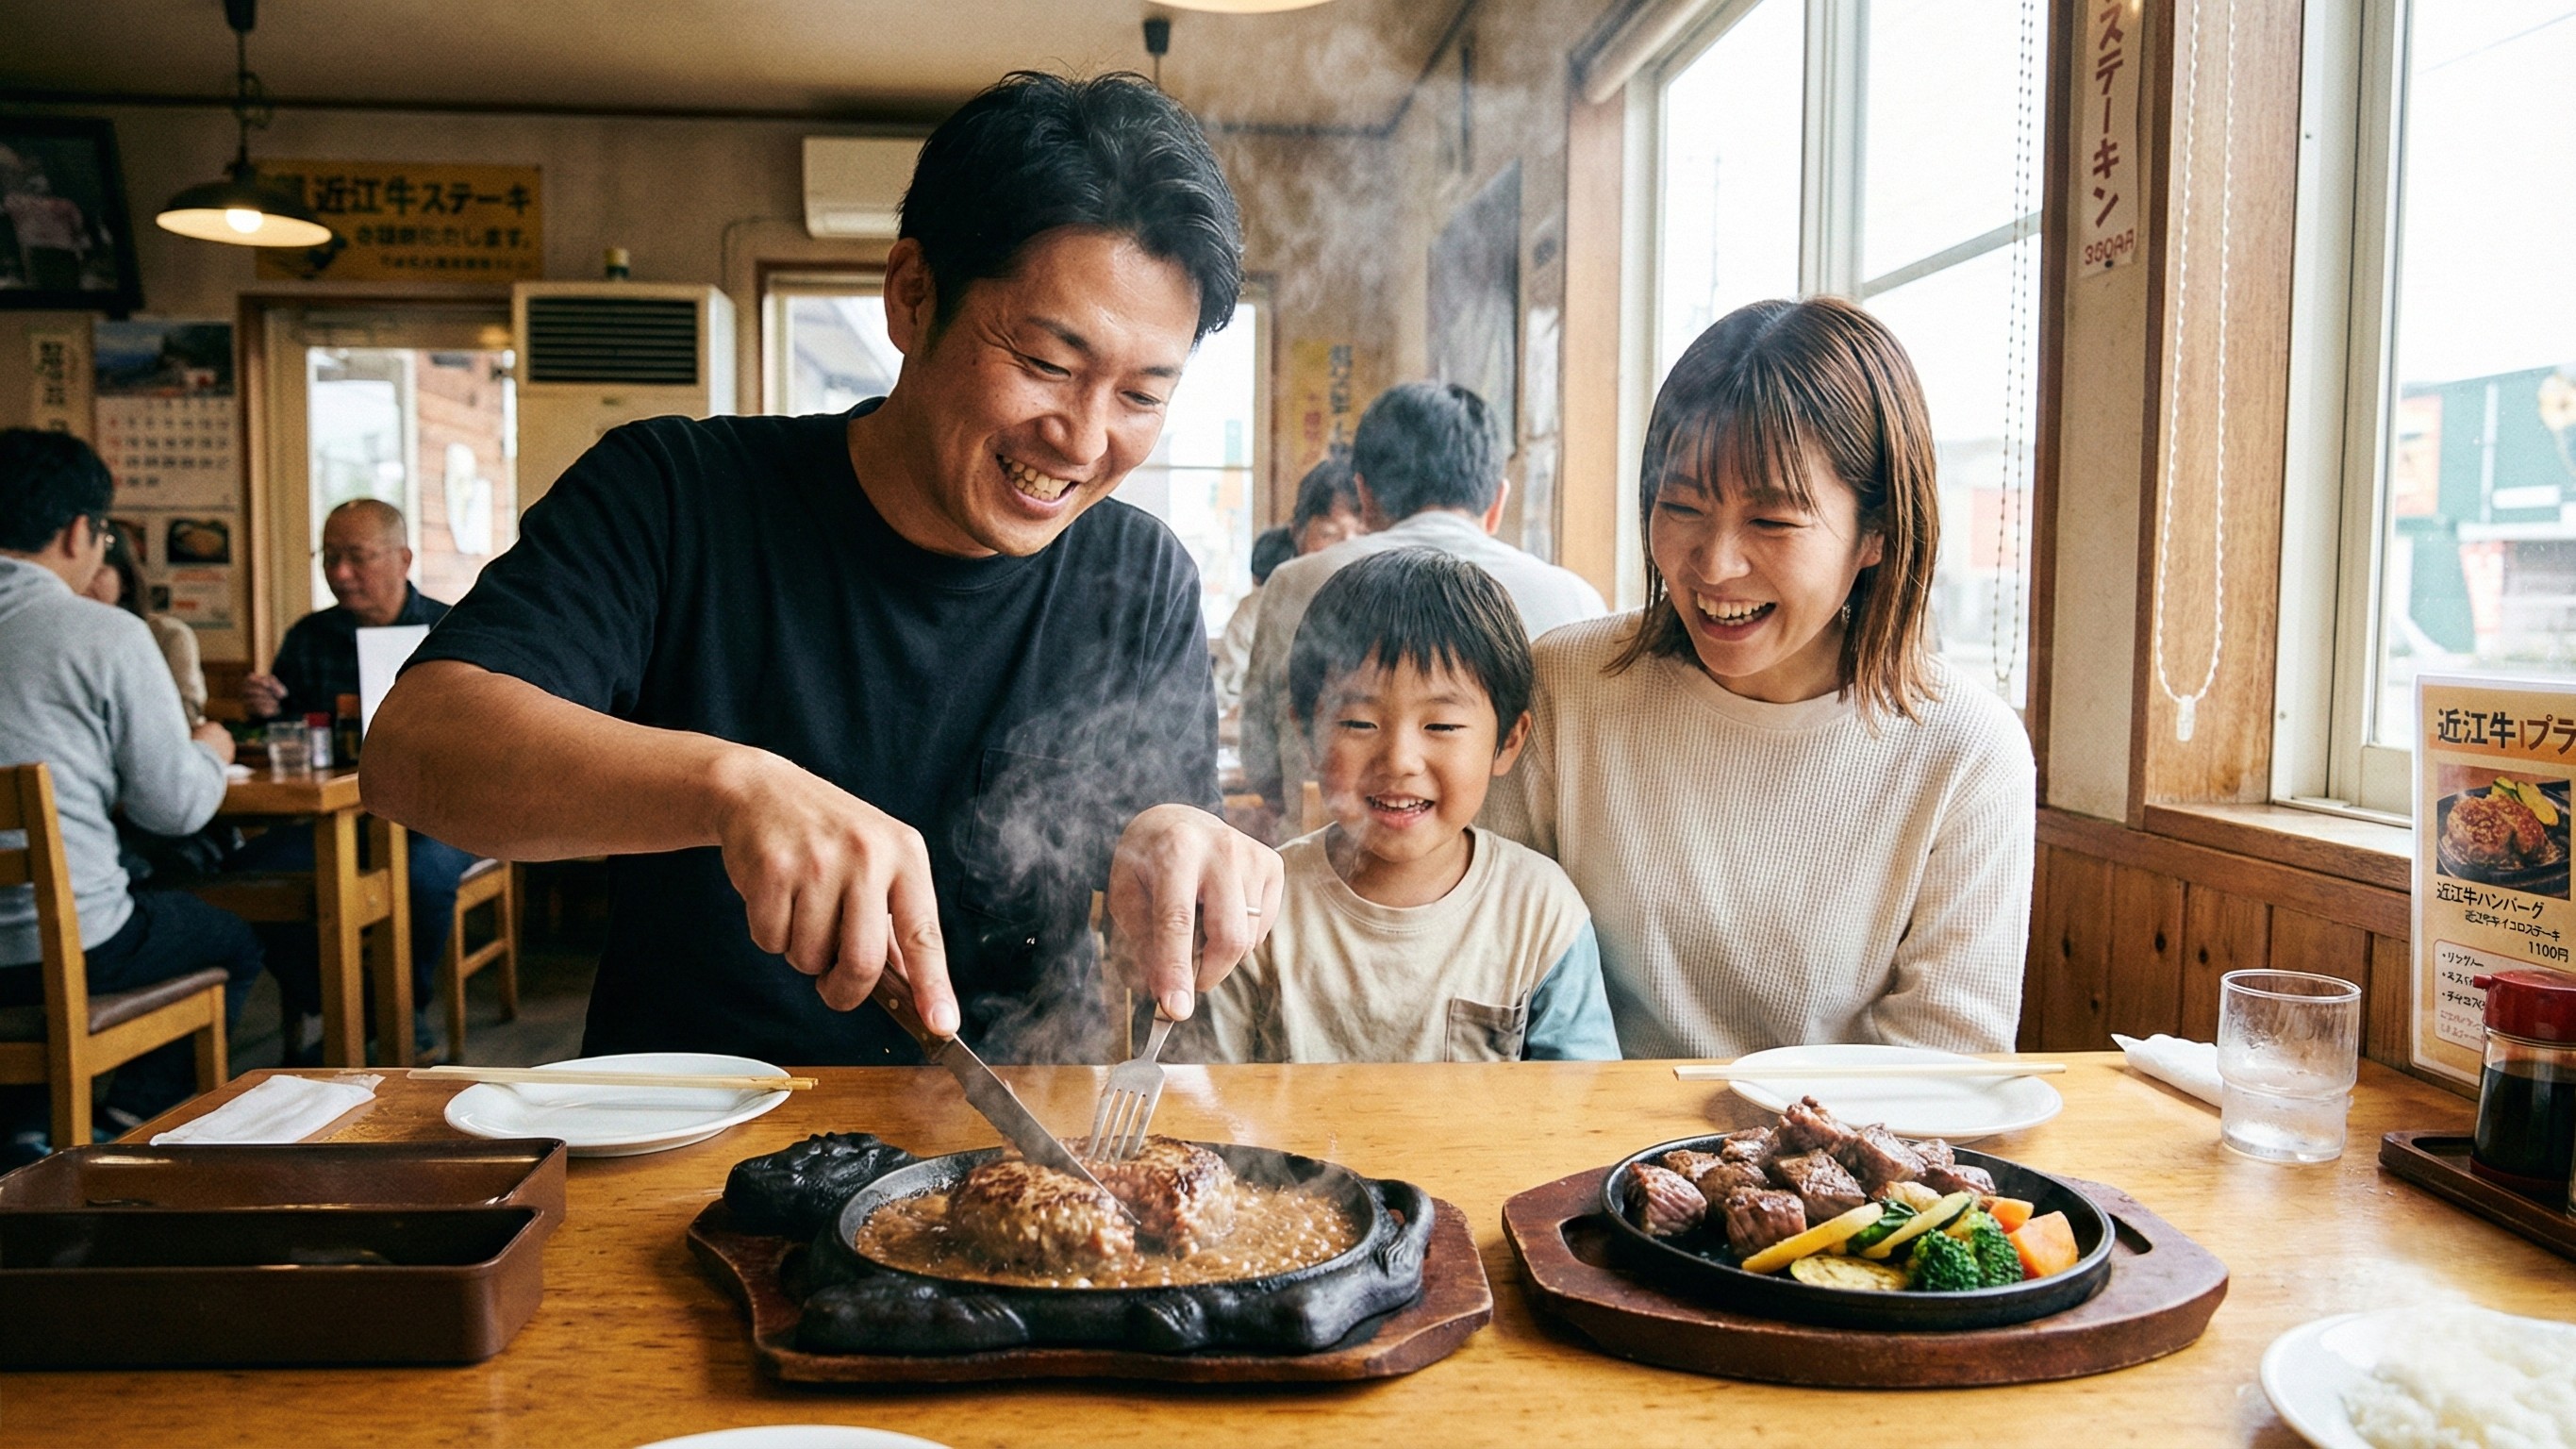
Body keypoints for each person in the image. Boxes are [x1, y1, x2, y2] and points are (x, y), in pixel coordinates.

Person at [362, 72, 1282, 1066]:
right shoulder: (675, 493)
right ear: (911, 295)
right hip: (691, 1132)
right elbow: (416, 749)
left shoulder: (1135, 576)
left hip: (997, 1157)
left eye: (1142, 396)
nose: (1082, 437)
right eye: (1049, 365)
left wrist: (1177, 839)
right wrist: (728, 788)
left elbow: (1159, 830)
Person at [1483, 297, 2036, 1058]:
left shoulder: (1965, 750)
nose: (1714, 565)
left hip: (1829, 1167)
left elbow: (1943, 1062)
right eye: (1680, 506)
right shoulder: (1566, 685)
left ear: (1875, 533)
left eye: (1771, 522)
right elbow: (1479, 956)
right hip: (1576, 1149)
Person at [1188, 549, 1616, 1063]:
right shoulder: (1259, 908)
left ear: (1507, 742)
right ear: (1306, 733)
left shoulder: (1540, 911)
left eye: (1441, 726)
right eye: (1359, 724)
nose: (1400, 760)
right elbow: (1207, 1110)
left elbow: (1581, 1107)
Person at [0, 429, 262, 1158]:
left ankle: (24, 1123)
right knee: (233, 940)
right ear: (82, 530)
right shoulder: (102, 634)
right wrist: (211, 747)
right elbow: (173, 807)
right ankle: (128, 1127)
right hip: (61, 950)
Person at [1238, 380, 1605, 809]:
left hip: (1329, 855)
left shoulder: (1295, 582)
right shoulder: (1575, 598)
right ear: (1497, 502)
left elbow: (1263, 765)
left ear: (1364, 495)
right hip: (1517, 863)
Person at [229, 498, 472, 1058]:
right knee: (249, 877)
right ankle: (353, 1008)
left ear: (403, 558)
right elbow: (284, 735)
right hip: (335, 813)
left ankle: (400, 1012)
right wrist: (266, 712)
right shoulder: (310, 636)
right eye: (331, 557)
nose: (340, 574)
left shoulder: (450, 629)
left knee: (419, 873)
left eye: (357, 558)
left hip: (438, 811)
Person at [1211, 452, 1364, 715]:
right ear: (1297, 534)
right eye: (1329, 534)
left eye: (1364, 535)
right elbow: (1224, 705)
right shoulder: (1260, 609)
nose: (1347, 550)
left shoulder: (1394, 606)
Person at [85, 528, 207, 724]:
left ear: (125, 580)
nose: (85, 582)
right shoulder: (67, 634)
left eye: (98, 572)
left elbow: (188, 712)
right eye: (82, 572)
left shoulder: (168, 635)